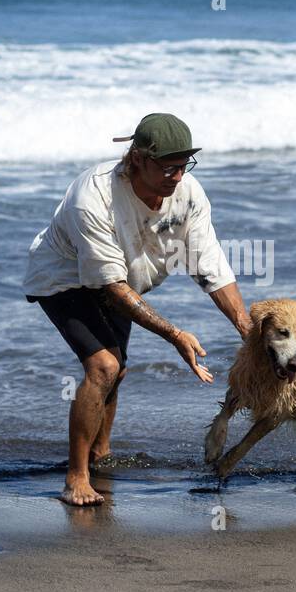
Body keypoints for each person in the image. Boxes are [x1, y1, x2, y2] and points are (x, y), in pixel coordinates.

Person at [23, 113, 250, 505]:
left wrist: (248, 330)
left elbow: (209, 264)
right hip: (63, 277)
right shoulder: (94, 197)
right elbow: (109, 287)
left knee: (120, 368)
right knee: (104, 366)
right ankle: (76, 477)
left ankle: (100, 454)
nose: (177, 176)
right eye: (167, 166)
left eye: (184, 165)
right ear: (137, 158)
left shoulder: (188, 192)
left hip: (123, 279)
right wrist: (175, 335)